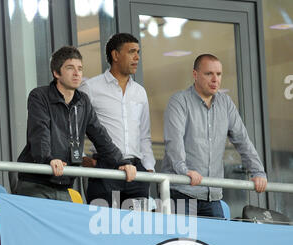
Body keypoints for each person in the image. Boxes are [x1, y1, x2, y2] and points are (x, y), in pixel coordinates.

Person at [16, 46, 136, 202]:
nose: (77, 73)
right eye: (70, 68)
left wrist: (122, 162)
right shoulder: (40, 96)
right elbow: (40, 133)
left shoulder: (83, 101)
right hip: (35, 183)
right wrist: (48, 159)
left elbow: (100, 136)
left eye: (80, 69)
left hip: (64, 185)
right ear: (56, 73)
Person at [161, 53, 267, 218]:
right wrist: (185, 171)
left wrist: (258, 172)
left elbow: (243, 140)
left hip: (213, 196)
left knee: (216, 243)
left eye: (218, 74)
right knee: (183, 243)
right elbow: (174, 142)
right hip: (181, 192)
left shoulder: (225, 103)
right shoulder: (179, 101)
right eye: (209, 73)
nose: (215, 79)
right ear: (195, 75)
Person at [80, 33, 155, 208]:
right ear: (115, 55)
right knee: (104, 230)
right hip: (105, 169)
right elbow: (74, 130)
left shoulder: (140, 92)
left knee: (138, 231)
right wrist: (83, 159)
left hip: (137, 172)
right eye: (131, 52)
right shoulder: (91, 88)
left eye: (138, 52)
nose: (137, 57)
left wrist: (149, 168)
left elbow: (144, 135)